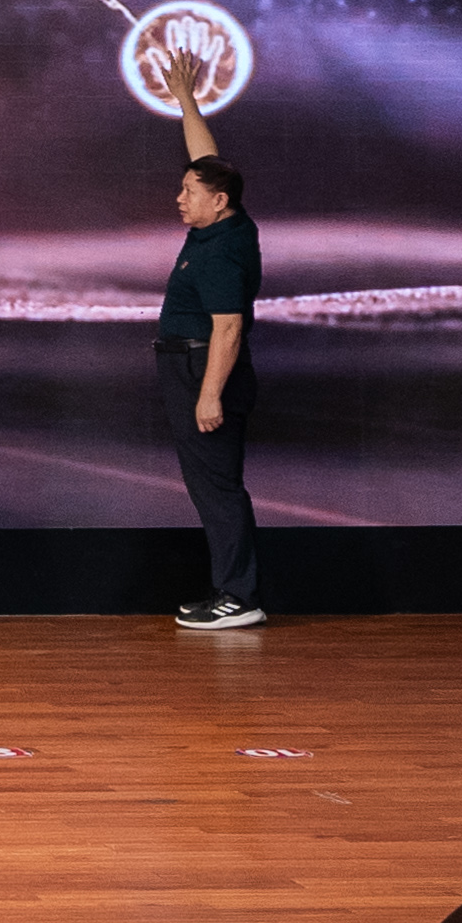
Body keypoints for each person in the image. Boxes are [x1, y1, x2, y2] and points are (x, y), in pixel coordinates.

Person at [152, 41, 267, 630]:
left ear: (218, 203)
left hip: (204, 369)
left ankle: (240, 597)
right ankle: (228, 588)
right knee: (208, 485)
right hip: (190, 367)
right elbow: (208, 158)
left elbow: (229, 327)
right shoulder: (225, 221)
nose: (180, 199)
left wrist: (209, 395)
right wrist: (187, 102)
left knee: (218, 487)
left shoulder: (222, 250)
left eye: (189, 193)